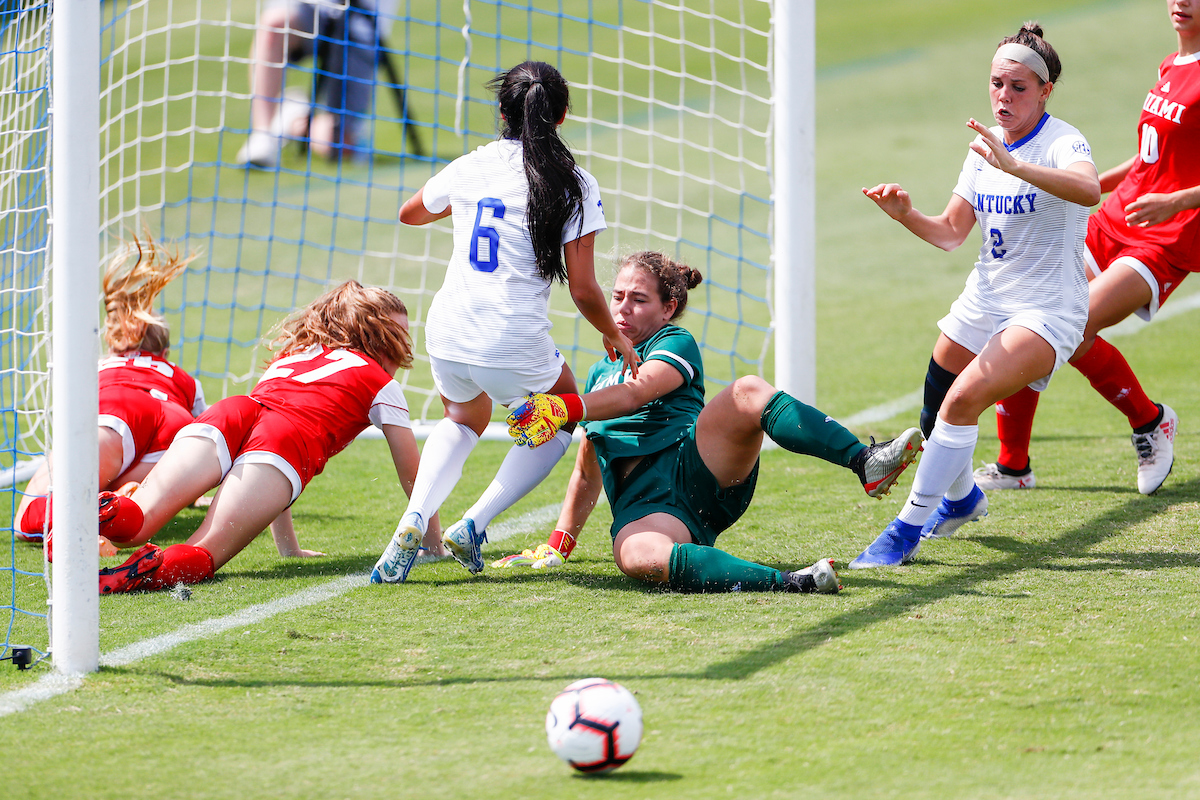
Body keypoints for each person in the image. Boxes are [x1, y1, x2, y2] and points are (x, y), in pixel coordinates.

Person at [501, 251, 923, 593]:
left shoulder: (673, 341)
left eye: (639, 299)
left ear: (668, 308)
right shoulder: (597, 375)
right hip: (645, 507)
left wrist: (566, 407)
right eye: (617, 296)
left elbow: (635, 392)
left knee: (747, 391)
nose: (623, 308)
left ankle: (865, 461)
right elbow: (587, 466)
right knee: (638, 558)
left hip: (696, 465)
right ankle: (794, 582)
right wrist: (559, 544)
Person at [369, 61, 638, 585]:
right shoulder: (574, 183)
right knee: (561, 415)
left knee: (461, 419)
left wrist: (468, 204)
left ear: (501, 111)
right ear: (562, 115)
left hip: (449, 328)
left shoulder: (470, 165)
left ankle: (413, 519)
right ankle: (473, 523)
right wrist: (613, 333)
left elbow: (410, 213)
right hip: (509, 335)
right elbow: (584, 288)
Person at [851, 23, 1101, 568]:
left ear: (1045, 91)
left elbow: (1090, 189)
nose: (1004, 97)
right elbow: (949, 233)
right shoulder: (983, 145)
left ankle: (904, 531)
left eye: (1018, 87)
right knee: (935, 406)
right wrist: (904, 215)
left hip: (1046, 308)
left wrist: (1018, 166)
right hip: (985, 298)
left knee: (962, 403)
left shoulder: (1063, 141)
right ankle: (963, 499)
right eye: (996, 84)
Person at [975, 0, 1200, 496]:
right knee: (1029, 310)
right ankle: (1013, 466)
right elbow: (1151, 159)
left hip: (1168, 234)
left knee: (1069, 326)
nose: (1182, 2)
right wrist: (1090, 183)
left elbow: (1172, 180)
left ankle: (1150, 421)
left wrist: (1177, 201)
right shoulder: (1172, 65)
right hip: (1119, 215)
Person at [95, 280, 442, 593]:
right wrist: (432, 544)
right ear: (375, 335)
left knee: (134, 521)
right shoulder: (380, 383)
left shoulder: (295, 356)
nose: (403, 347)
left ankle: (84, 507)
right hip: (282, 440)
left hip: (231, 412)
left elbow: (267, 448)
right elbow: (415, 474)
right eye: (398, 336)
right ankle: (124, 577)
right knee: (201, 553)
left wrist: (289, 548)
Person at [15, 233, 204, 557]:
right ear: (165, 352)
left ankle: (91, 512)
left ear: (114, 343)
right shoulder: (184, 379)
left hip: (118, 411)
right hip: (173, 429)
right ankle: (123, 497)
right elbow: (205, 434)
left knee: (28, 520)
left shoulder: (100, 366)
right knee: (122, 482)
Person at [236, 0, 393, 167]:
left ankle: (293, 116)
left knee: (338, 144)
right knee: (275, 23)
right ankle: (262, 135)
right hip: (312, 6)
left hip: (361, 28)